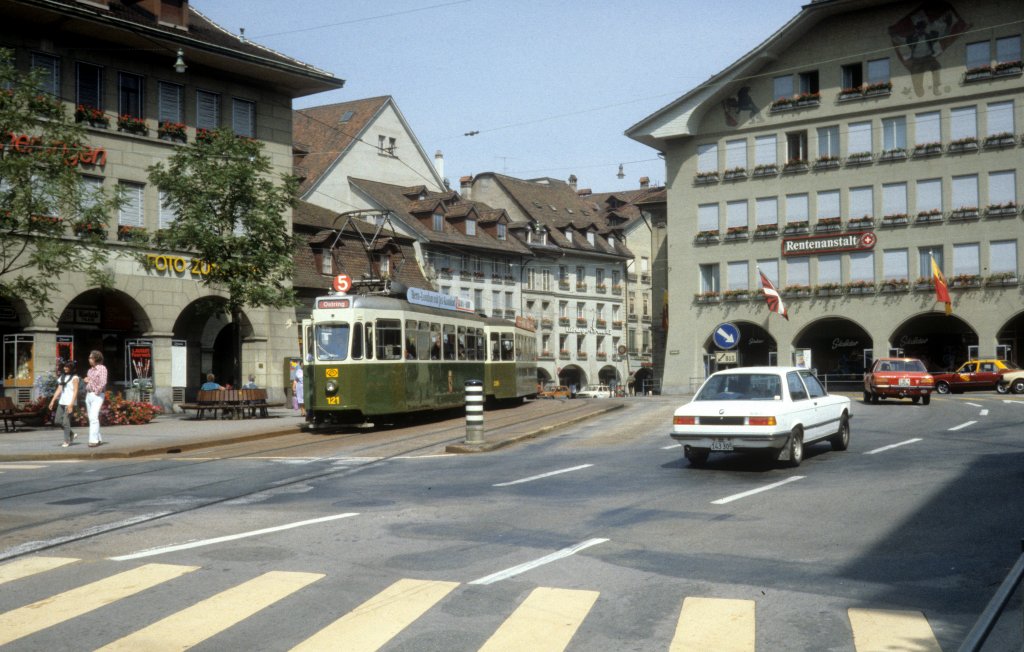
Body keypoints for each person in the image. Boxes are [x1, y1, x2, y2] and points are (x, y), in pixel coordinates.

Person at [49, 359, 79, 448]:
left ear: (71, 368)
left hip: (69, 402)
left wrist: (71, 404)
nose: (65, 368)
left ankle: (67, 440)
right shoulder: (62, 377)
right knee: (57, 421)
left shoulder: (75, 378)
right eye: (65, 367)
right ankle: (72, 434)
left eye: (67, 367)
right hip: (62, 402)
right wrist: (53, 400)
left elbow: (76, 391)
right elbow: (59, 389)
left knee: (66, 422)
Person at [84, 350, 107, 447]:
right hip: (89, 394)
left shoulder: (101, 368)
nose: (89, 359)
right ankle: (98, 438)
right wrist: (86, 381)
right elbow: (91, 382)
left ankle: (93, 440)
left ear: (96, 359)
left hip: (96, 395)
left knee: (93, 417)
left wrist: (97, 392)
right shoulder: (90, 370)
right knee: (91, 417)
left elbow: (103, 382)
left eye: (90, 357)